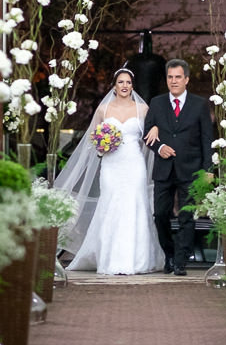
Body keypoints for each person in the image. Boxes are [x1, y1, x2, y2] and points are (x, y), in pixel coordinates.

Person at [57, 69, 161, 275]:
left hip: (134, 163)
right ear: (114, 85)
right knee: (111, 205)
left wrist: (156, 128)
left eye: (128, 82)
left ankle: (137, 260)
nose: (124, 85)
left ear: (132, 85)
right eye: (120, 82)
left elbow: (151, 133)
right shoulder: (103, 110)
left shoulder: (143, 108)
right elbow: (92, 137)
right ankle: (109, 258)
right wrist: (101, 145)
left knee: (135, 205)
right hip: (111, 164)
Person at [142, 59, 214, 276]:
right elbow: (147, 134)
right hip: (164, 169)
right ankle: (170, 253)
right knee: (160, 215)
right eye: (170, 77)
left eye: (178, 77)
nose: (174, 81)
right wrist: (160, 146)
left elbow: (206, 138)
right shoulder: (156, 103)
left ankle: (181, 261)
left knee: (186, 216)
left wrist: (208, 169)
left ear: (187, 79)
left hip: (190, 168)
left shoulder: (200, 104)